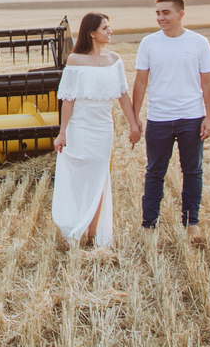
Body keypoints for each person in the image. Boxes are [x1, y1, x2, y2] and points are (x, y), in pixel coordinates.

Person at [52, 13, 143, 249]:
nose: (110, 31)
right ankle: (75, 227)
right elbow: (68, 99)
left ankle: (93, 234)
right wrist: (62, 133)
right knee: (78, 178)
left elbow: (122, 95)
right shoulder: (75, 61)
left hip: (103, 127)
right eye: (105, 28)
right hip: (80, 126)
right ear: (92, 33)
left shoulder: (115, 60)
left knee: (100, 177)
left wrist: (133, 124)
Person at [131, 0, 210, 244]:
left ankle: (191, 224)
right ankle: (149, 225)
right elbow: (140, 82)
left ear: (181, 14)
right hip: (158, 119)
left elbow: (208, 83)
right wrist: (135, 118)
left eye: (165, 12)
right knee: (154, 172)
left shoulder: (199, 42)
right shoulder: (148, 43)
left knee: (192, 171)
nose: (160, 18)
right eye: (157, 13)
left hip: (192, 117)